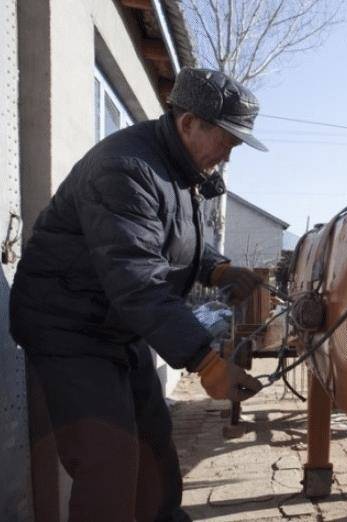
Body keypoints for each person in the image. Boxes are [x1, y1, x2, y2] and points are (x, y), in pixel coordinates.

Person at [11, 67, 268, 522]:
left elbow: (168, 238)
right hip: (68, 329)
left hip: (116, 324)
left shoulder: (178, 169)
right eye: (225, 141)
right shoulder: (126, 168)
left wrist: (218, 267)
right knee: (108, 460)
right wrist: (204, 361)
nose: (227, 155)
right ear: (188, 123)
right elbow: (136, 274)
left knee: (154, 443)